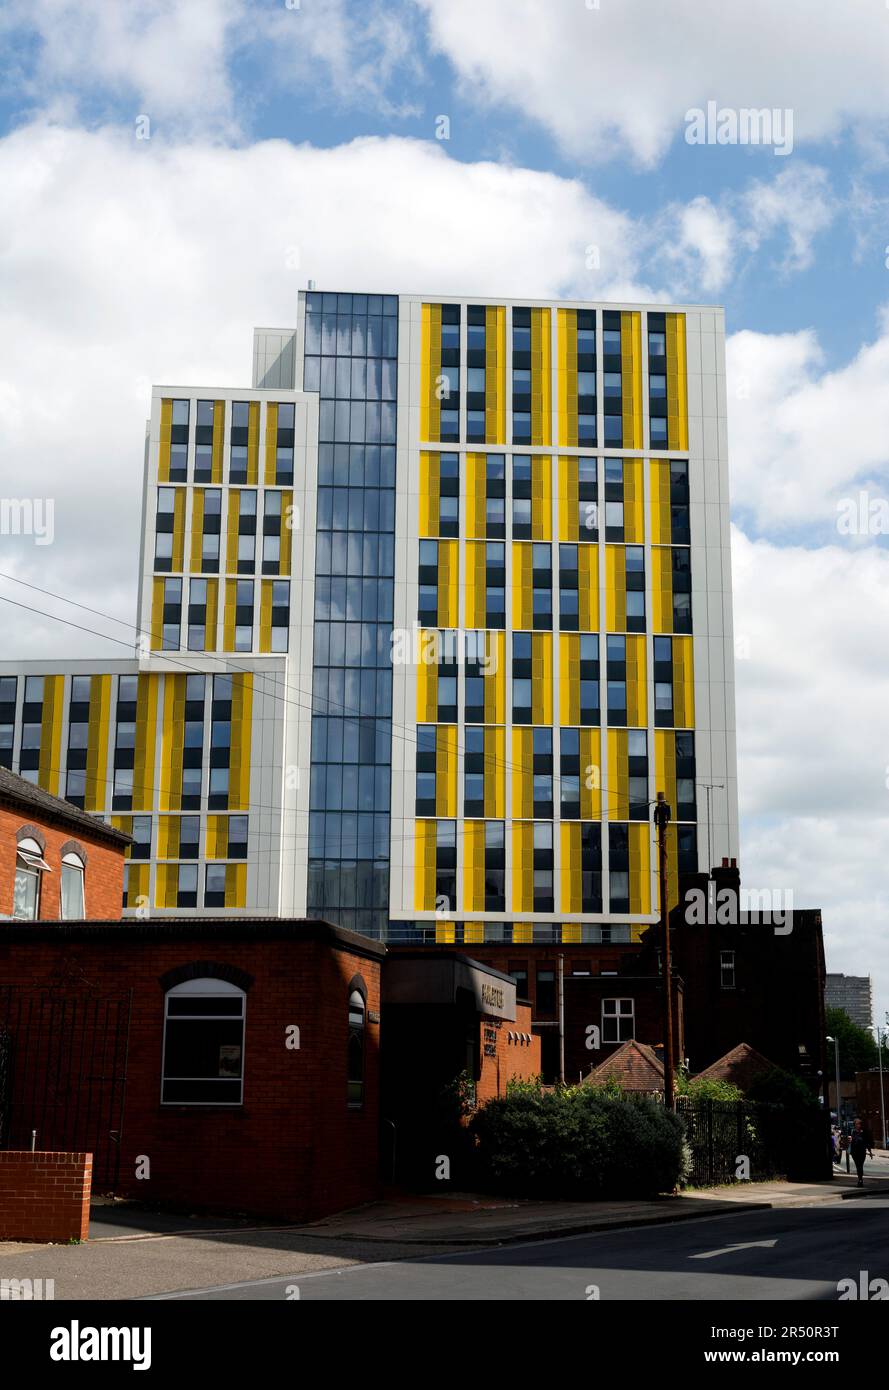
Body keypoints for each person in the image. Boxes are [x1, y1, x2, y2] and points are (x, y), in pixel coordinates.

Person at [849, 1118, 874, 1187]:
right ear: (854, 1125)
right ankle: (860, 1179)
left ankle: (860, 1180)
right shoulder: (852, 1131)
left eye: (859, 1124)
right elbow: (848, 1141)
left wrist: (870, 1152)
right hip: (854, 1152)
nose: (858, 1125)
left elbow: (867, 1142)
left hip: (862, 1151)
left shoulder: (863, 1132)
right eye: (857, 1124)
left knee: (860, 1166)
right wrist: (849, 1140)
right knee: (858, 1166)